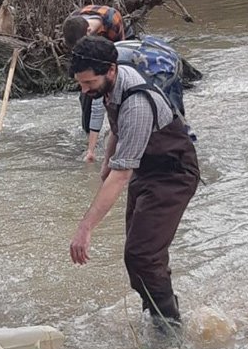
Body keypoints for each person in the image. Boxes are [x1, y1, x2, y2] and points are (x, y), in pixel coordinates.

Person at [68, 35, 199, 324]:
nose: (84, 89)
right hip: (147, 168)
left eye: (89, 83)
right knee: (138, 252)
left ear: (111, 70)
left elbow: (122, 174)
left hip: (172, 174)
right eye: (80, 83)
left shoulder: (138, 104)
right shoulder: (112, 84)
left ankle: (169, 325)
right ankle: (157, 308)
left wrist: (85, 229)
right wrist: (105, 162)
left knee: (142, 255)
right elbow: (116, 129)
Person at [80, 36, 194, 161]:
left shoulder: (100, 72)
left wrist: (90, 150)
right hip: (163, 53)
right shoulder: (100, 58)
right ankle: (186, 142)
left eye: (88, 84)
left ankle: (182, 150)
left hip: (158, 63)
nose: (86, 89)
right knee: (173, 106)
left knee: (162, 109)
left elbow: (97, 110)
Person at [62, 5, 127, 162]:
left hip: (117, 51)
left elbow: (118, 60)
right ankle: (88, 135)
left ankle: (118, 132)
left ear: (89, 32)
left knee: (108, 94)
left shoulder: (113, 22)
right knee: (86, 95)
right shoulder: (73, 23)